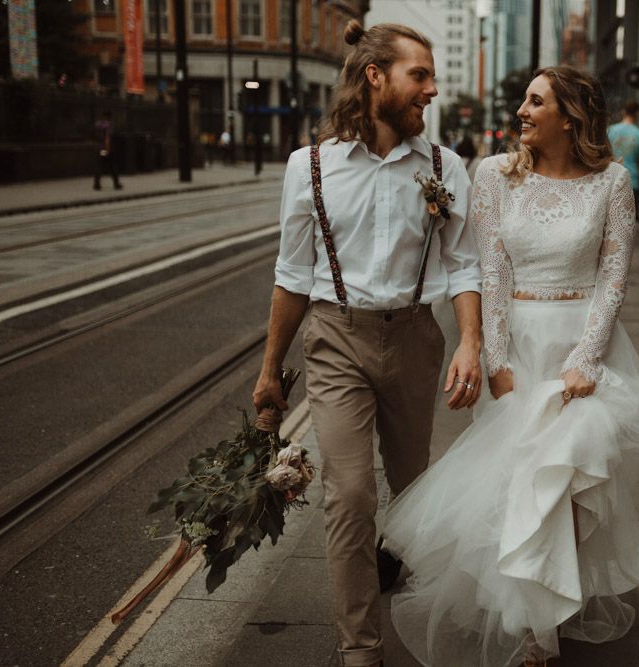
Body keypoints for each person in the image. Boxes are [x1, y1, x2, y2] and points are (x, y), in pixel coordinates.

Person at [383, 66, 639, 667]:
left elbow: (614, 276)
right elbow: (493, 272)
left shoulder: (612, 183)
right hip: (517, 351)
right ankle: (535, 629)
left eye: (535, 101)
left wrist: (586, 358)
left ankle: (546, 618)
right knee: (522, 484)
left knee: (565, 479)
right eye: (524, 100)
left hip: (584, 349)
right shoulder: (494, 176)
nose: (521, 110)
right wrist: (496, 358)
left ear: (570, 116)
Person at [252, 20, 482, 667]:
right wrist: (270, 369)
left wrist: (469, 340)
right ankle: (360, 646)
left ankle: (406, 587)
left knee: (412, 491)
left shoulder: (444, 167)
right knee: (349, 491)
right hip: (335, 339)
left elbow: (463, 264)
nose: (431, 90)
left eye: (432, 77)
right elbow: (292, 274)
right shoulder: (310, 167)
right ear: (375, 76)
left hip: (414, 337)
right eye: (420, 76)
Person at [607, 100, 639, 227]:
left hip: (611, 180)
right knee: (627, 225)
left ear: (623, 112)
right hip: (632, 182)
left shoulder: (609, 131)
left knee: (610, 224)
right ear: (637, 114)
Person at [93, 110, 122, 191]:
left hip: (98, 148)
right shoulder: (109, 125)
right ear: (109, 117)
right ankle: (116, 184)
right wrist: (108, 149)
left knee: (99, 165)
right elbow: (107, 138)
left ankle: (96, 184)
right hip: (106, 148)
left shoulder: (97, 124)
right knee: (112, 165)